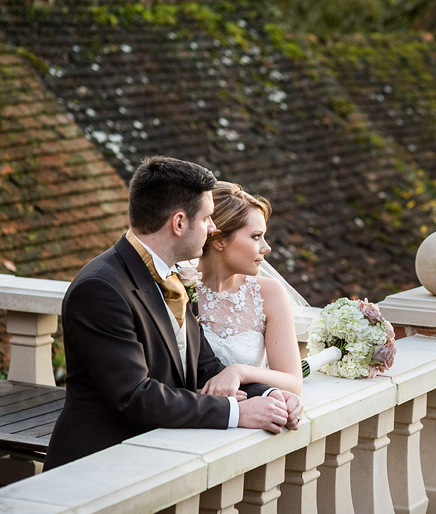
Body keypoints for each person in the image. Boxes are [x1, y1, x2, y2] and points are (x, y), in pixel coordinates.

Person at [44, 157, 302, 470]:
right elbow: (135, 396)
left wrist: (272, 395)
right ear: (179, 223)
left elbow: (204, 366)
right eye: (207, 218)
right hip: (99, 463)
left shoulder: (174, 277)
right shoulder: (102, 289)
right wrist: (236, 413)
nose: (213, 227)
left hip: (158, 457)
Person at [194, 181, 303, 396]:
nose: (267, 247)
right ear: (219, 240)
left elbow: (293, 382)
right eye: (256, 236)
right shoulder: (178, 291)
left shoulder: (268, 293)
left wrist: (240, 372)